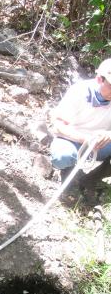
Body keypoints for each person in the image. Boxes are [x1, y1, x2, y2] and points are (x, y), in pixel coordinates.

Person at [50, 58, 111, 199]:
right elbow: (58, 126)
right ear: (99, 80)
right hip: (72, 139)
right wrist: (86, 139)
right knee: (62, 158)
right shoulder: (80, 91)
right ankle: (68, 173)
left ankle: (91, 179)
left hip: (101, 144)